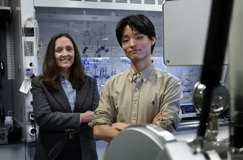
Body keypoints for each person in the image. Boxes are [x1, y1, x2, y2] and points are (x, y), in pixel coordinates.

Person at [89, 14, 183, 143]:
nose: (132, 44)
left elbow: (164, 129)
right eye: (125, 40)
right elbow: (99, 129)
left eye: (139, 37)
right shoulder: (112, 83)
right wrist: (149, 129)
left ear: (152, 40)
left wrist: (122, 127)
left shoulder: (170, 84)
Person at [31, 33, 99, 160]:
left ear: (75, 53)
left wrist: (59, 119)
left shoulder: (90, 83)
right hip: (52, 152)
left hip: (84, 151)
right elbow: (44, 118)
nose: (65, 54)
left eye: (69, 49)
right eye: (59, 50)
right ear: (52, 55)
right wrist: (82, 117)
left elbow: (97, 115)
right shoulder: (40, 83)